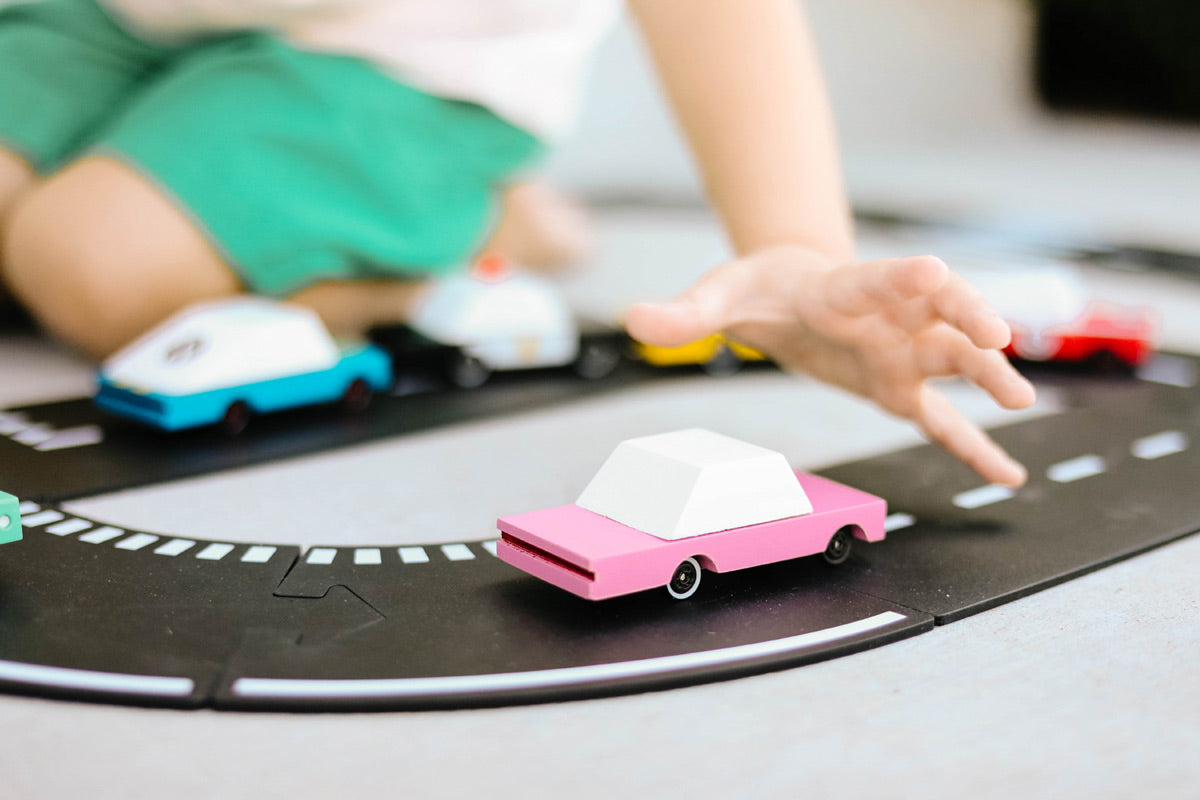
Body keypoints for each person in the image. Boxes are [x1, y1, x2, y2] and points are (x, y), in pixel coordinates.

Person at [0, 0, 1035, 487]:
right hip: (129, 12)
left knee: (90, 263)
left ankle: (495, 220)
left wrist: (796, 247)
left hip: (406, 49)